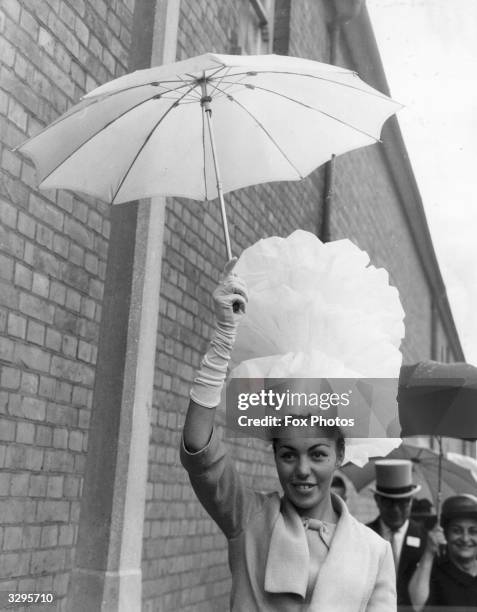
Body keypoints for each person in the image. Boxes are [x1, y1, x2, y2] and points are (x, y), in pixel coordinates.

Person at [181, 262, 396, 611]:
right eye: (288, 455)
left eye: (318, 454)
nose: (302, 470)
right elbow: (199, 451)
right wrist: (222, 339)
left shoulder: (375, 551)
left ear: (340, 453)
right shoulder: (249, 518)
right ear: (275, 453)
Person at [367, 459, 427, 608]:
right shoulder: (363, 537)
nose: (396, 510)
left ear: (411, 500)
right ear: (377, 500)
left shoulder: (425, 539)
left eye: (403, 502)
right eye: (389, 502)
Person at [409, 494, 477, 611]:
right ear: (445, 533)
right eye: (456, 531)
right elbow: (417, 604)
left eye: (473, 531)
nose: (465, 539)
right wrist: (429, 552)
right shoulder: (434, 572)